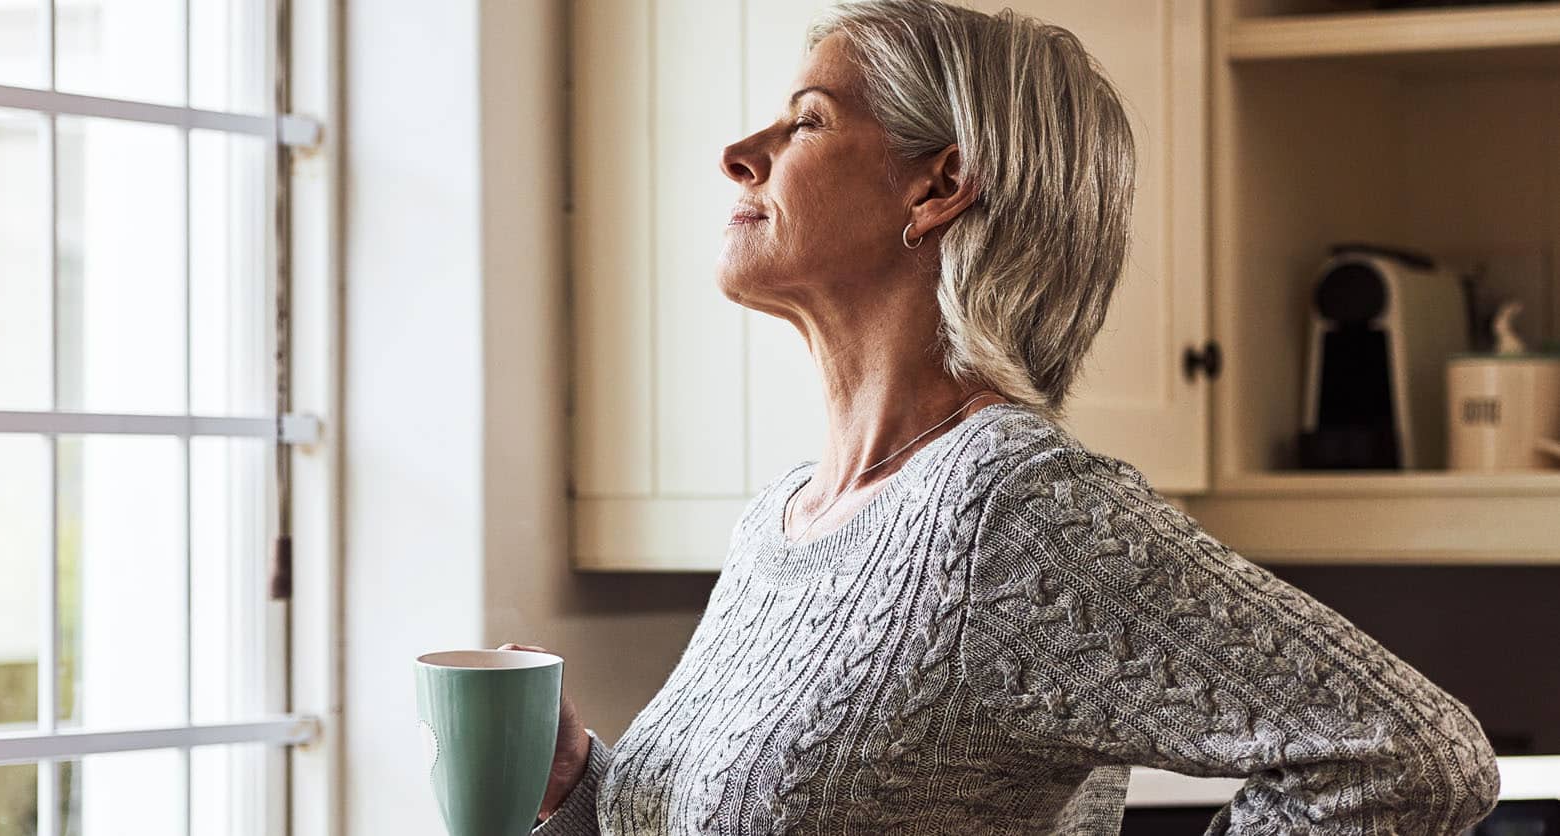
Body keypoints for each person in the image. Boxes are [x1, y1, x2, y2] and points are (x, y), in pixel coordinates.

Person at [502, 1, 1501, 833]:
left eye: (804, 122)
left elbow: (1409, 753)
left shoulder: (1004, 506)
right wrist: (581, 788)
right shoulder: (777, 523)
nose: (738, 154)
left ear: (939, 182)